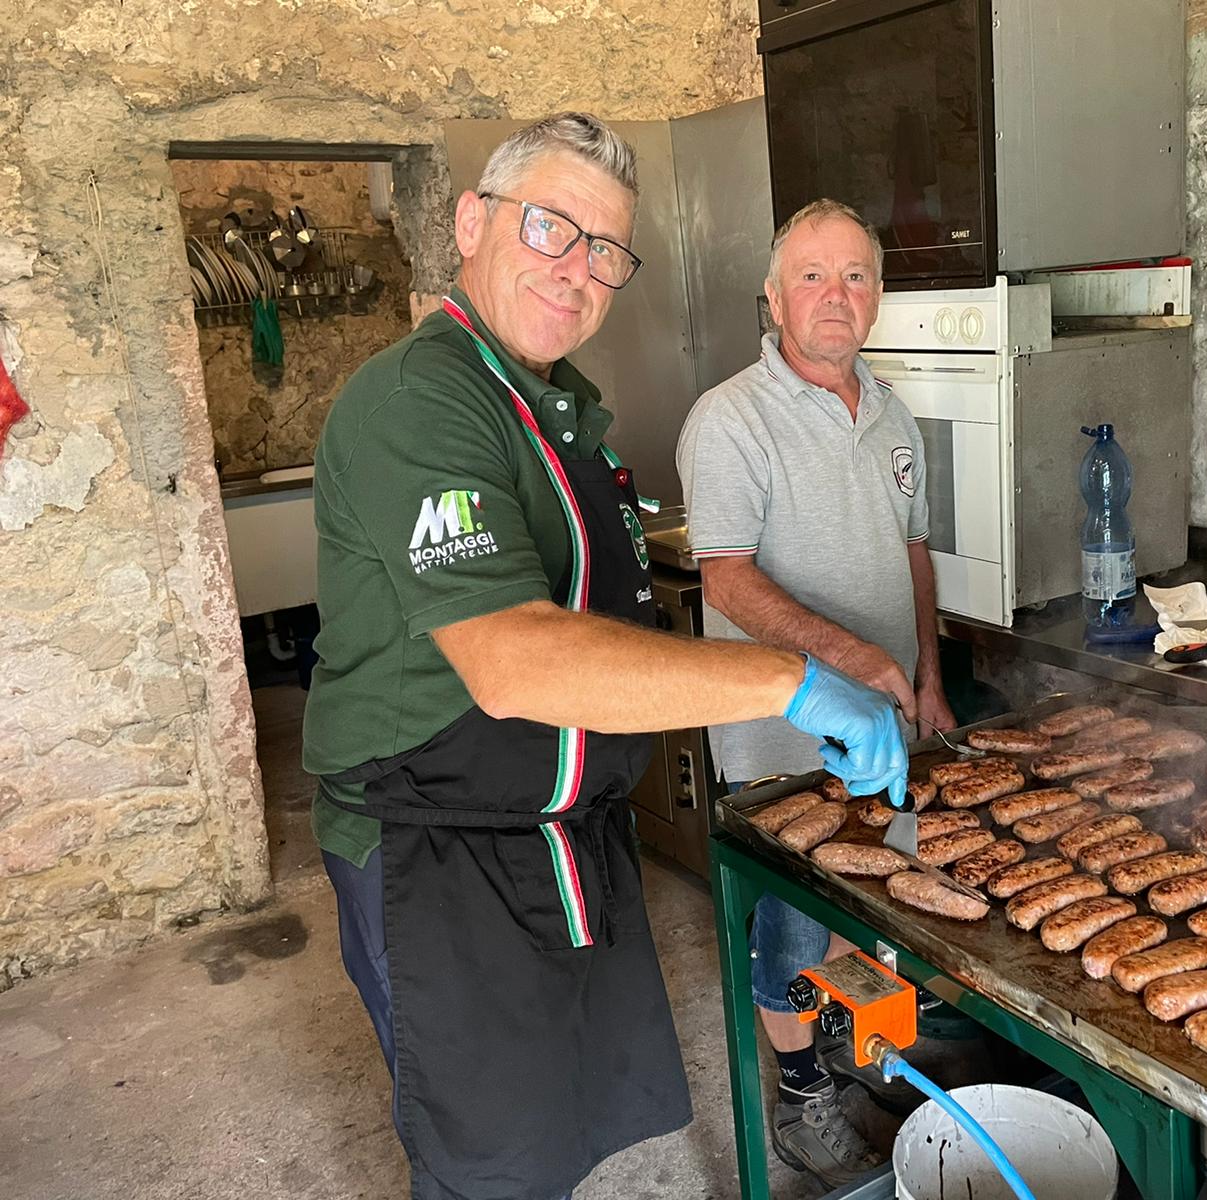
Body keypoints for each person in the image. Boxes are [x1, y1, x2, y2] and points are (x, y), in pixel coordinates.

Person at [301, 116, 909, 1200]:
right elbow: (513, 658)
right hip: (438, 852)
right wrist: (797, 680)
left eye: (606, 250)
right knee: (489, 1162)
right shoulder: (420, 401)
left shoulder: (560, 407)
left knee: (556, 1132)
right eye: (550, 227)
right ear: (471, 223)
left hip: (557, 830)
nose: (576, 269)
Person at [676, 198, 956, 1187]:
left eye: (855, 276)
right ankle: (801, 1097)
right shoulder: (730, 419)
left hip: (887, 722)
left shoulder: (892, 414)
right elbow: (726, 579)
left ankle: (858, 1047)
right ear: (772, 295)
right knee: (793, 919)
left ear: (876, 296)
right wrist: (853, 660)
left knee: (873, 891)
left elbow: (913, 552)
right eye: (811, 275)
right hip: (779, 734)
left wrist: (925, 676)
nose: (835, 296)